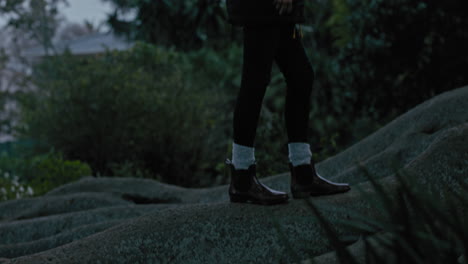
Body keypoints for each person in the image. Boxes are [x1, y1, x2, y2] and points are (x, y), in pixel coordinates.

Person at [225, 0, 351, 205]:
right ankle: (242, 176)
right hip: (263, 8)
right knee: (255, 81)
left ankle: (303, 173)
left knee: (301, 76)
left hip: (277, 10)